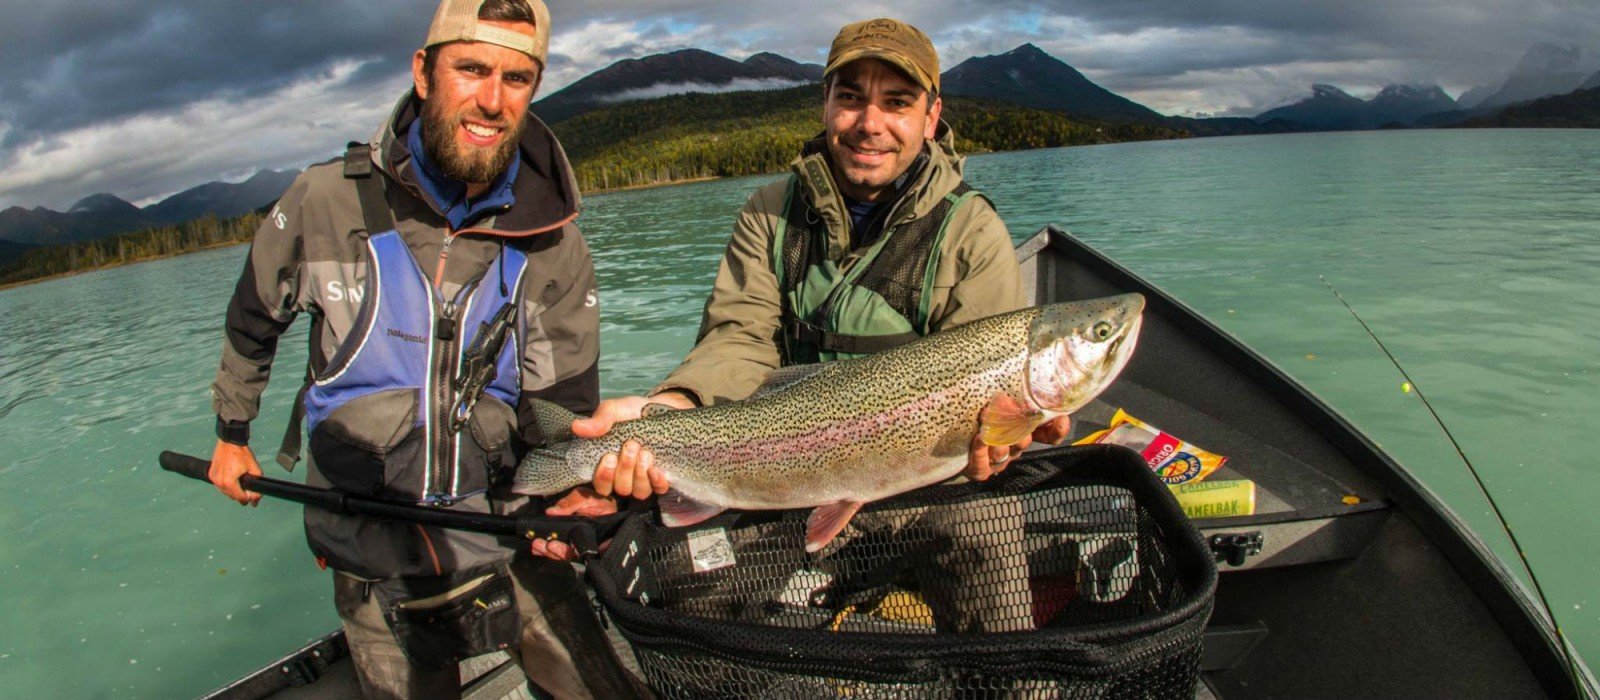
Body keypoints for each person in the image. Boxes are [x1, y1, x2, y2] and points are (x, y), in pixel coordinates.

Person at [534, 18, 1069, 633]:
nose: (871, 123)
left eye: (897, 103)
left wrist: (1002, 443)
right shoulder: (768, 211)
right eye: (851, 97)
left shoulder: (972, 232)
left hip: (925, 475)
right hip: (779, 465)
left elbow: (989, 383)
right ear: (826, 105)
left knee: (993, 570)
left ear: (931, 116)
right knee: (695, 588)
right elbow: (739, 337)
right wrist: (671, 405)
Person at [205, 1, 641, 697]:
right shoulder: (323, 201)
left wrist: (571, 495)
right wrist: (232, 433)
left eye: (517, 78)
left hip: (508, 536)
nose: (492, 100)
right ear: (422, 72)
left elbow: (562, 409)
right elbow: (255, 315)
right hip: (371, 550)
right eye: (471, 69)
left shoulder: (555, 242)